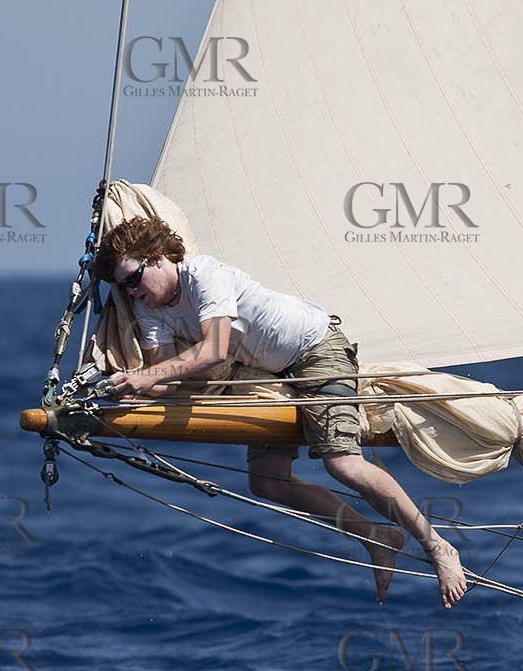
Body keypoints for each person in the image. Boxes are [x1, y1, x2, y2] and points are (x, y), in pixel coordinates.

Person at [92, 216, 468, 609]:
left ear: (156, 257)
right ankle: (375, 535)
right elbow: (165, 381)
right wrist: (130, 389)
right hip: (267, 374)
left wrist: (147, 377)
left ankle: (438, 547)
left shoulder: (204, 276)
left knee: (344, 466)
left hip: (315, 350)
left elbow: (213, 350)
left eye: (133, 279)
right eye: (123, 287)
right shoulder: (150, 310)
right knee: (267, 482)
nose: (131, 292)